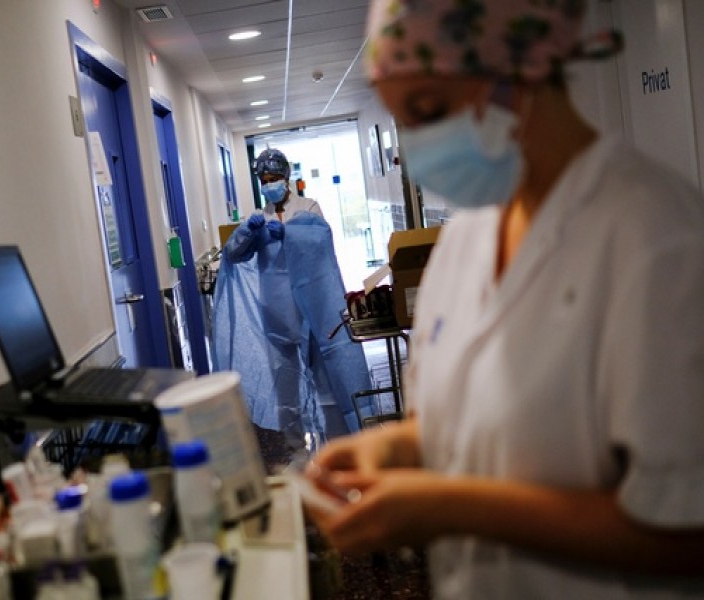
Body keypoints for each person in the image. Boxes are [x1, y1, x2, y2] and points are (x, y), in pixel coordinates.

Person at [307, 1, 704, 598]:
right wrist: (391, 446)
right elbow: (455, 425)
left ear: (516, 72)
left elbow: (687, 533)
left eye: (427, 111)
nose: (414, 150)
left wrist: (454, 509)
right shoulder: (466, 237)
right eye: (402, 122)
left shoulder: (656, 239)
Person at [211, 148, 373, 461]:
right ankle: (298, 451)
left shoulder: (308, 207)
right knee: (286, 385)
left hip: (315, 306)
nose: (270, 184)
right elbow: (234, 255)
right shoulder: (259, 217)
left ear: (288, 179)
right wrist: (246, 234)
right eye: (265, 179)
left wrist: (288, 233)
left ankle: (341, 447)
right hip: (279, 311)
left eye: (275, 178)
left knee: (328, 379)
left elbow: (320, 240)